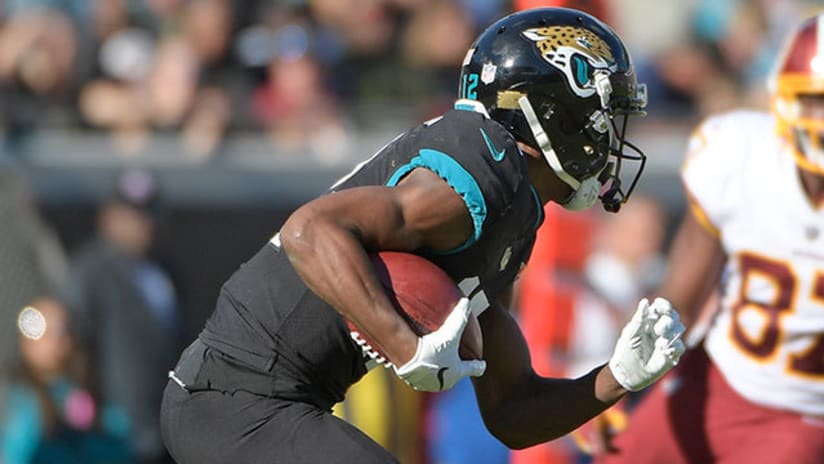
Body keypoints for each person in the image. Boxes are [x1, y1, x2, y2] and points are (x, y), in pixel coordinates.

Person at [160, 8, 686, 463]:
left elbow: (512, 410)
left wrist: (617, 377)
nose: (611, 137)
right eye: (603, 115)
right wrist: (405, 347)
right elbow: (310, 229)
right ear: (551, 109)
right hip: (230, 396)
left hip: (273, 400)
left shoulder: (515, 211)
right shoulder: (483, 172)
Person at [597, 14, 824, 464]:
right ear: (785, 98)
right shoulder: (739, 155)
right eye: (817, 100)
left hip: (801, 415)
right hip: (715, 378)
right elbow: (679, 296)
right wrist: (614, 385)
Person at [63, 169, 180, 464]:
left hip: (163, 433)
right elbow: (75, 347)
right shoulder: (89, 271)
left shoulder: (165, 272)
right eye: (130, 213)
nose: (142, 223)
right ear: (108, 215)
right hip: (112, 436)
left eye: (148, 212)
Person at [2, 297, 133, 464]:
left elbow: (117, 427)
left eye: (63, 330)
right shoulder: (26, 403)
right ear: (26, 344)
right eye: (45, 333)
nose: (58, 341)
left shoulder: (80, 383)